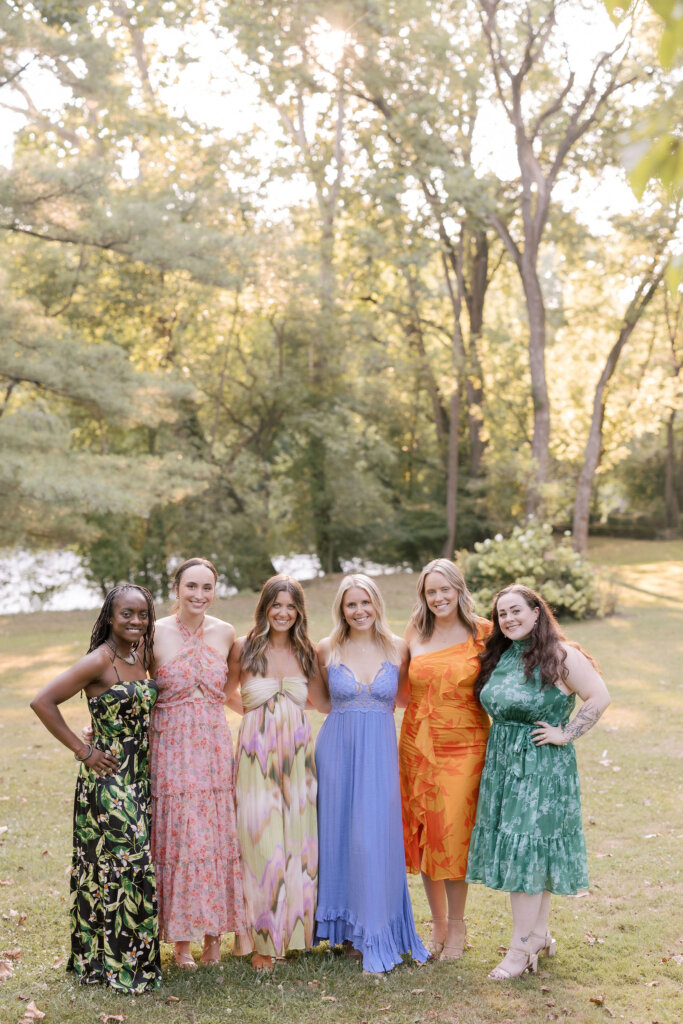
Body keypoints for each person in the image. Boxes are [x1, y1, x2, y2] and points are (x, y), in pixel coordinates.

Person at [466, 584, 610, 979]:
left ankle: (519, 948)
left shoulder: (562, 655)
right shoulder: (504, 655)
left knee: (527, 852)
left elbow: (599, 696)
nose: (509, 619)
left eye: (516, 611)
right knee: (528, 851)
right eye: (501, 614)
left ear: (536, 612)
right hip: (503, 765)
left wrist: (566, 733)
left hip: (542, 769)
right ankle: (539, 935)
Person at [30, 585, 161, 993]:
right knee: (131, 866)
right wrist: (83, 750)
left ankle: (102, 961)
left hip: (140, 776)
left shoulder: (141, 653)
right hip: (108, 780)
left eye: (142, 614)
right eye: (127, 614)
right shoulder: (99, 660)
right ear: (109, 617)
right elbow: (43, 701)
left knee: (110, 868)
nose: (136, 621)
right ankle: (125, 969)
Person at [315, 574, 429, 975]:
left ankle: (376, 926)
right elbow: (320, 699)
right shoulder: (326, 648)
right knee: (339, 836)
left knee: (373, 838)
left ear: (377, 604)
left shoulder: (399, 648)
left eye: (365, 602)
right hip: (336, 751)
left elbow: (402, 697)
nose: (359, 611)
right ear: (341, 609)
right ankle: (346, 931)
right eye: (351, 604)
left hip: (380, 753)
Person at [150, 557, 246, 968]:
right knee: (180, 840)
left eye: (207, 587)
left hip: (212, 748)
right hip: (170, 746)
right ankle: (181, 943)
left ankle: (213, 938)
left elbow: (231, 692)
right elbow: (136, 691)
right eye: (191, 586)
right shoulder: (154, 633)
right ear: (176, 588)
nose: (199, 595)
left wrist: (277, 714)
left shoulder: (226, 634)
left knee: (213, 837)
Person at [228, 574, 321, 972]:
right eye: (276, 605)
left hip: (299, 757)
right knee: (260, 841)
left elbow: (320, 700)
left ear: (299, 611)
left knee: (297, 842)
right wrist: (253, 716)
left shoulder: (306, 652)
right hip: (255, 754)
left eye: (291, 606)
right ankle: (259, 940)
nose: (283, 613)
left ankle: (294, 931)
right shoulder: (244, 648)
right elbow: (220, 691)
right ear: (265, 607)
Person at [398, 558, 491, 960]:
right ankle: (435, 926)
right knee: (424, 832)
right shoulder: (415, 631)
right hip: (417, 745)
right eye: (430, 591)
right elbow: (400, 689)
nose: (438, 598)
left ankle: (458, 926)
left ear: (458, 589)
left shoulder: (484, 631)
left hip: (465, 746)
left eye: (444, 590)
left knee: (452, 835)